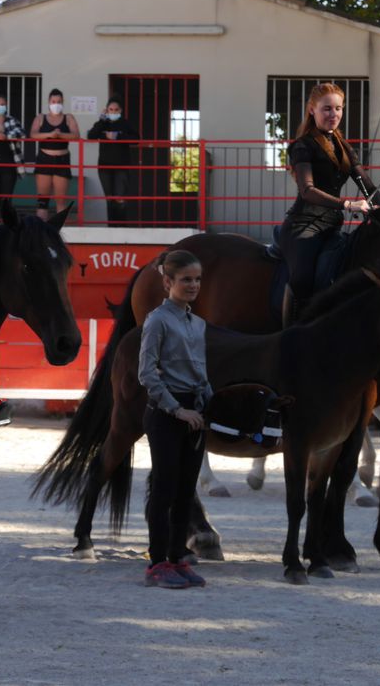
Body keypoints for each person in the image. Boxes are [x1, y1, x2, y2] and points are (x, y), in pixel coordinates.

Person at [138, 249, 213, 589]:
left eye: (197, 279)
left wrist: (209, 402)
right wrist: (177, 409)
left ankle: (177, 556)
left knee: (186, 490)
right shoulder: (157, 320)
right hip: (167, 413)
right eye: (186, 280)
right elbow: (146, 374)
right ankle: (156, 562)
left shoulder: (197, 323)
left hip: (193, 412)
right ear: (168, 282)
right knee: (164, 489)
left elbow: (200, 370)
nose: (193, 285)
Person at [279, 82, 380, 324]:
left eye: (338, 108)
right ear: (312, 110)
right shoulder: (302, 146)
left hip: (332, 227)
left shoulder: (345, 148)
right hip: (304, 227)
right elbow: (307, 190)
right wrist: (349, 205)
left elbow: (367, 186)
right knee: (303, 279)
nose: (333, 114)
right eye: (326, 109)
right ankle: (289, 334)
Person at [86, 96, 139, 224]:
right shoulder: (103, 123)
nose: (113, 112)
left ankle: (121, 227)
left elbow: (136, 139)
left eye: (116, 110)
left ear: (120, 111)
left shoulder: (125, 123)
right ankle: (112, 227)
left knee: (119, 198)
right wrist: (101, 120)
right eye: (111, 109)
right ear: (107, 110)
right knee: (109, 199)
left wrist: (118, 136)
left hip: (122, 166)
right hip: (104, 166)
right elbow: (91, 136)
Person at [30, 88, 79, 220]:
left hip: (62, 159)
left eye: (59, 101)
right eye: (53, 101)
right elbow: (33, 134)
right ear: (48, 102)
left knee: (61, 201)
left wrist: (60, 135)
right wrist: (50, 135)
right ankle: (40, 234)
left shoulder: (69, 118)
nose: (56, 104)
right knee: (43, 201)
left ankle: (59, 235)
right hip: (44, 158)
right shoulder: (40, 118)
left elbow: (76, 136)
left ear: (63, 102)